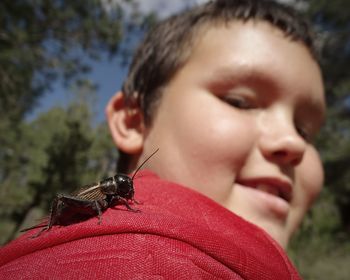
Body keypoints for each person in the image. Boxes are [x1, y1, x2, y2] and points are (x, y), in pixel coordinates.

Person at [0, 0, 325, 278]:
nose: (293, 142)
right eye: (239, 101)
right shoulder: (143, 253)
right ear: (133, 121)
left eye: (306, 132)